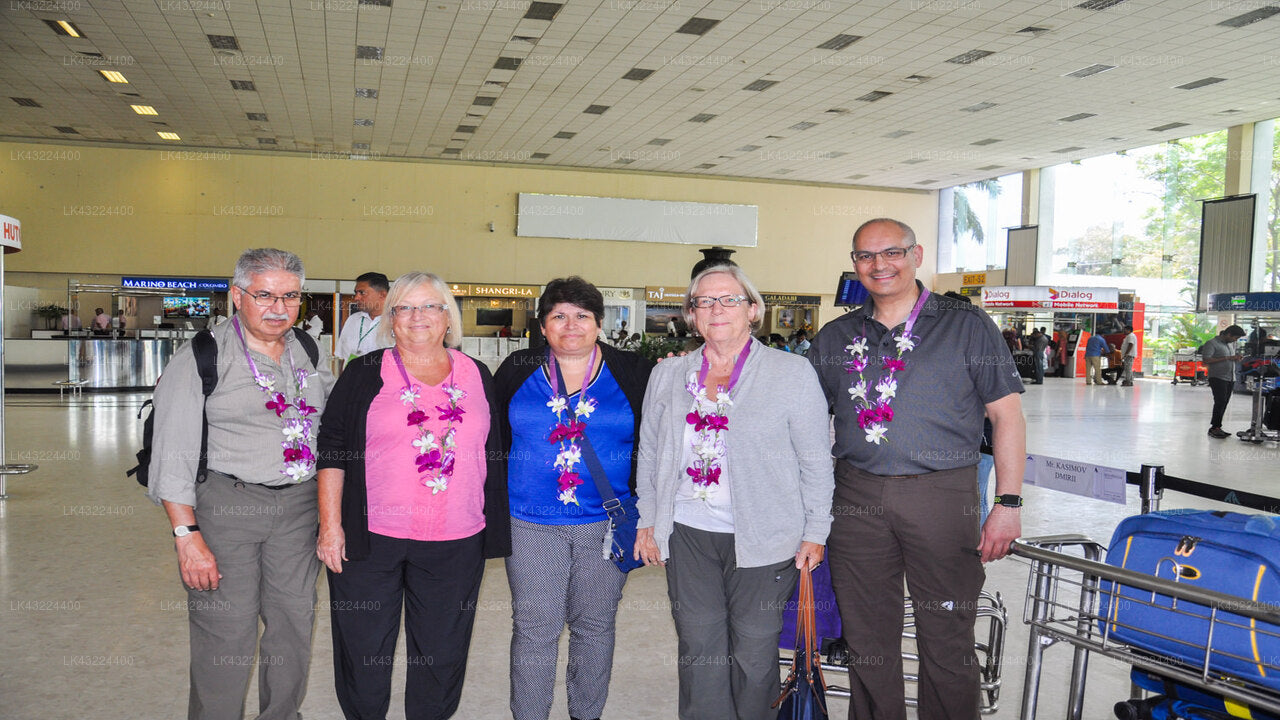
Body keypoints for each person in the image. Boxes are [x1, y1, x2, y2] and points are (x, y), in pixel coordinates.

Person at [807, 218, 1025, 720]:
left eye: (892, 252)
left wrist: (1007, 504)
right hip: (855, 498)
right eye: (865, 256)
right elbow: (803, 420)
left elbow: (1007, 416)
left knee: (947, 635)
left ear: (917, 254)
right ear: (854, 264)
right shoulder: (837, 336)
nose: (879, 264)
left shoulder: (965, 324)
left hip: (942, 495)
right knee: (866, 638)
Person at [634, 264, 834, 720]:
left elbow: (816, 460)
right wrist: (648, 519)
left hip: (768, 537)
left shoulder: (791, 372)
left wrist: (817, 530)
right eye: (704, 301)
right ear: (691, 314)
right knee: (698, 644)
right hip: (687, 533)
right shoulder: (668, 376)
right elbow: (649, 453)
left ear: (752, 311)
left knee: (753, 648)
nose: (716, 309)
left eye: (729, 299)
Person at [147, 248, 332, 720]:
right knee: (225, 631)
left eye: (290, 296)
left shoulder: (308, 351)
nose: (278, 307)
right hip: (226, 508)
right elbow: (172, 453)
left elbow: (329, 425)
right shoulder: (203, 355)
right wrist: (186, 537)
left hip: (298, 510)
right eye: (264, 295)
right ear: (237, 296)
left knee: (293, 624)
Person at [316, 272, 510, 720]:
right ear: (390, 317)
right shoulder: (364, 373)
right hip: (369, 540)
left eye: (430, 306)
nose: (417, 317)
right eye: (404, 307)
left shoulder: (477, 374)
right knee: (364, 653)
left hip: (456, 541)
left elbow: (494, 449)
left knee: (441, 655)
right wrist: (330, 526)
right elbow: (332, 448)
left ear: (448, 318)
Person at [494, 277, 652, 720]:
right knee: (534, 628)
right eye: (558, 315)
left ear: (599, 323)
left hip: (606, 523)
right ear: (543, 326)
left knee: (595, 627)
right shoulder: (518, 367)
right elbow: (492, 440)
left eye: (582, 316)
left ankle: (586, 714)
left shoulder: (633, 371)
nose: (571, 325)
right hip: (529, 522)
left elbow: (654, 443)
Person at [335, 271, 391, 370]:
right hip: (352, 382)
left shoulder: (396, 322)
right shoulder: (352, 320)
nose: (356, 298)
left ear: (382, 294)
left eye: (362, 293)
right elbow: (343, 359)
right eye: (355, 293)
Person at [1199, 324, 1247, 439]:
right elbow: (1206, 360)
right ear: (1229, 334)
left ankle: (1217, 427)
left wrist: (1236, 357)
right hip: (1217, 377)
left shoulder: (1230, 344)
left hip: (1230, 377)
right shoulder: (1212, 343)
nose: (1235, 340)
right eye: (1235, 337)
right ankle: (1214, 427)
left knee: (1224, 403)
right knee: (1220, 402)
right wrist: (1227, 358)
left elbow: (1230, 358)